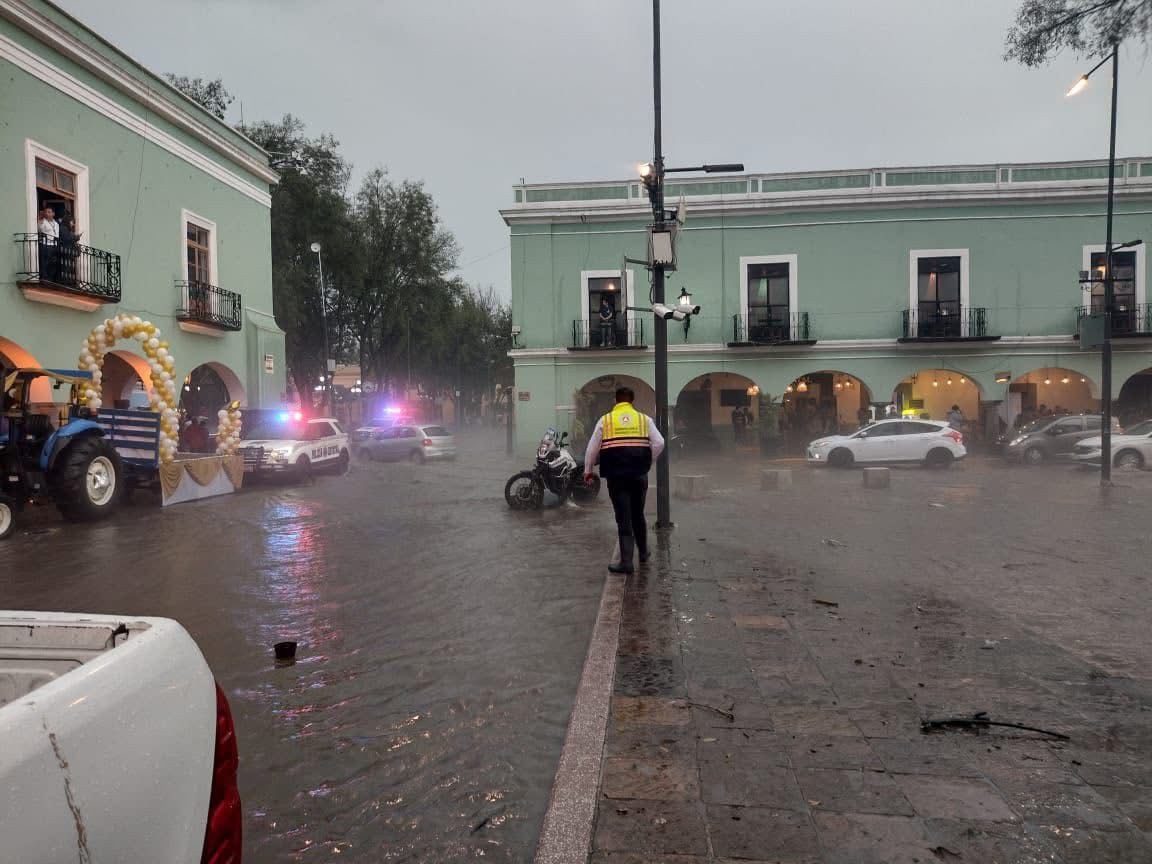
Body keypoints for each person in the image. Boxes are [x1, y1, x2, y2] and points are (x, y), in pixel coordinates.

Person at [584, 386, 665, 574]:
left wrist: (588, 471)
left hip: (616, 476)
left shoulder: (606, 420)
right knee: (638, 514)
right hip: (639, 475)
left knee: (623, 517)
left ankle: (626, 563)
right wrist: (648, 460)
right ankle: (643, 553)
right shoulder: (645, 419)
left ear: (615, 400)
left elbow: (591, 449)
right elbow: (659, 442)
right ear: (632, 400)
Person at [37, 206, 59, 282]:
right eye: (46, 212)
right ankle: (44, 279)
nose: (47, 213)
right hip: (46, 245)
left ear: (53, 213)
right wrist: (40, 220)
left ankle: (51, 279)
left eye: (49, 212)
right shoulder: (43, 221)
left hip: (54, 245)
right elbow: (39, 229)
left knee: (53, 263)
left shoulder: (56, 223)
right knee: (45, 263)